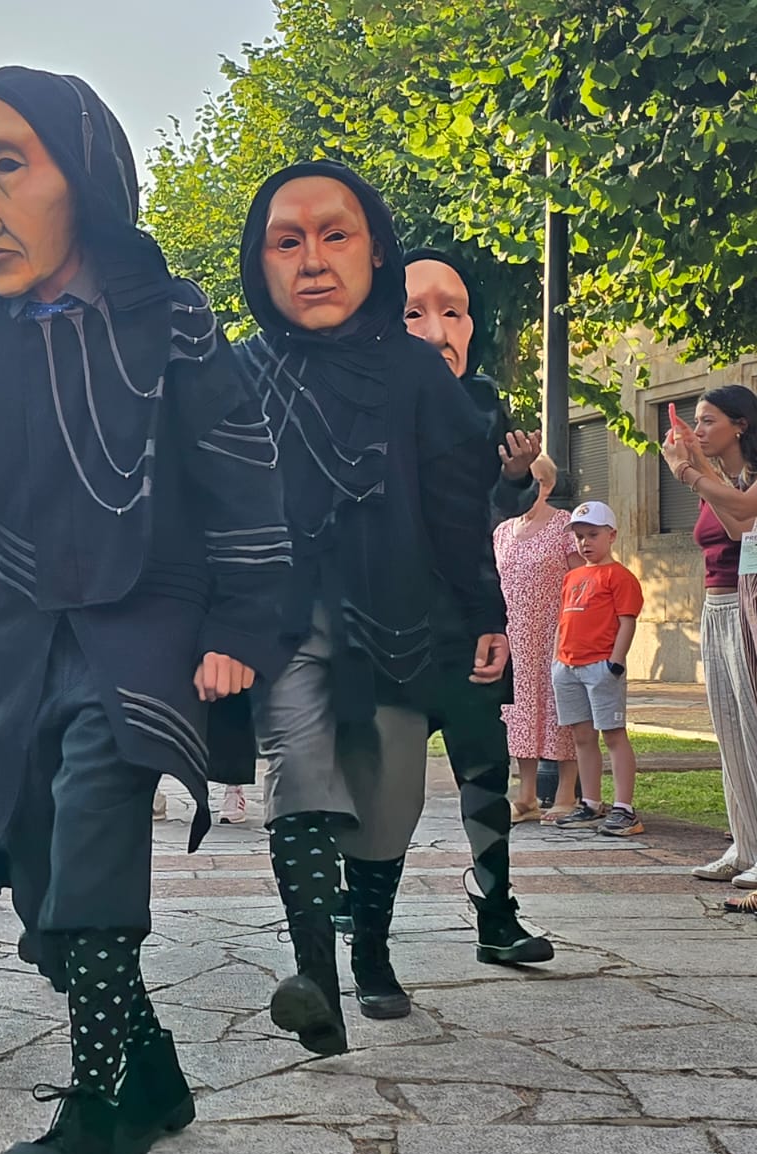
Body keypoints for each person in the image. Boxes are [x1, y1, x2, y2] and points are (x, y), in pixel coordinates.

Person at [0, 69, 290, 1154]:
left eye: (6, 162)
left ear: (80, 172)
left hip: (145, 636)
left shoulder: (170, 314)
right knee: (43, 902)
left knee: (90, 841)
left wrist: (240, 623)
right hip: (19, 645)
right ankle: (158, 1075)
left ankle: (92, 1122)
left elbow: (243, 479)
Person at [233, 163, 508, 1058]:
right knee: (299, 778)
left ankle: (374, 951)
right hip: (282, 622)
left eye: (334, 234)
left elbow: (459, 512)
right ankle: (316, 974)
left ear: (373, 248)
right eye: (287, 239)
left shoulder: (418, 377)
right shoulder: (234, 375)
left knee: (387, 804)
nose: (312, 260)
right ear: (261, 258)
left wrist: (484, 614)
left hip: (399, 614)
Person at [402, 248, 553, 965]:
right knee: (378, 786)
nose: (437, 330)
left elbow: (489, 509)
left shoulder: (485, 400)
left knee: (484, 774)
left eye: (453, 311)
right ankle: (358, 909)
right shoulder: (356, 405)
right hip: (383, 624)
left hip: (468, 623)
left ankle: (496, 912)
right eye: (413, 312)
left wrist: (517, 476)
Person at [663, 386, 757, 886]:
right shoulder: (728, 478)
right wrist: (701, 471)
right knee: (728, 728)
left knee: (753, 724)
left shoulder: (750, 478)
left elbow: (745, 510)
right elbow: (737, 525)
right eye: (694, 421)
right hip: (717, 603)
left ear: (740, 424)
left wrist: (688, 471)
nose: (696, 431)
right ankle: (743, 845)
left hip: (749, 602)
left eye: (707, 421)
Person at [493, 456, 582, 820]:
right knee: (519, 711)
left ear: (546, 485)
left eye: (531, 482)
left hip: (556, 631)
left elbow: (581, 582)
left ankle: (566, 793)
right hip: (515, 635)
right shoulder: (502, 531)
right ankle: (526, 794)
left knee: (562, 707)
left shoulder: (565, 527)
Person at [549, 501, 643, 835]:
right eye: (579, 536)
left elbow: (626, 621)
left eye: (592, 534)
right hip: (568, 666)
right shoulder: (573, 576)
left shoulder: (620, 576)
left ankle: (624, 808)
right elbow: (564, 620)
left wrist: (615, 663)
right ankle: (590, 802)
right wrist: (557, 661)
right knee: (581, 736)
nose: (584, 542)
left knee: (614, 734)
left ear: (611, 535)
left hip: (600, 665)